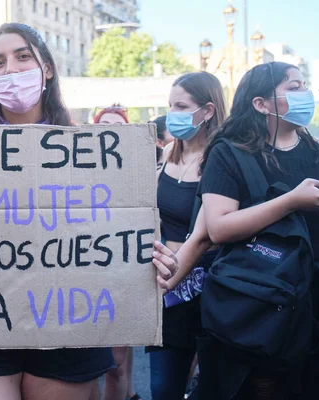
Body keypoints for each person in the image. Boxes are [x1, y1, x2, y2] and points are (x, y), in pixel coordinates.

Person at [0, 23, 179, 400]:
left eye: (22, 57)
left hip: (67, 327)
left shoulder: (93, 152)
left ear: (46, 68)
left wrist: (148, 261)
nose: (10, 70)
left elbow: (117, 231)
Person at [195, 62, 319, 399]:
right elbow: (219, 228)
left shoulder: (316, 151)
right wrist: (291, 201)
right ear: (261, 104)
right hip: (258, 314)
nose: (305, 94)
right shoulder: (229, 154)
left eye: (304, 85)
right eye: (293, 87)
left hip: (313, 309)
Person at [146, 72, 227, 400]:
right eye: (170, 106)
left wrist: (170, 276)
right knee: (163, 387)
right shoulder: (168, 156)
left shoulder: (221, 160)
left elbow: (206, 236)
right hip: (168, 288)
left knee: (210, 386)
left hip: (207, 290)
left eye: (181, 106)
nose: (173, 113)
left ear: (207, 111)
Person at [94, 109, 141, 400]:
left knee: (116, 362)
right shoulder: (76, 169)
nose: (112, 131)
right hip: (85, 270)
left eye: (119, 126)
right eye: (105, 125)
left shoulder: (138, 172)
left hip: (122, 273)